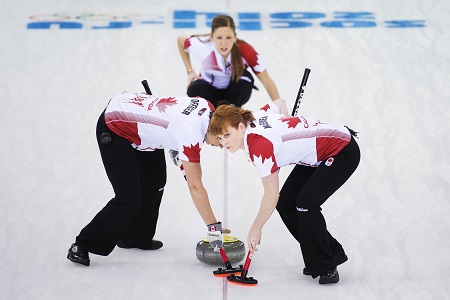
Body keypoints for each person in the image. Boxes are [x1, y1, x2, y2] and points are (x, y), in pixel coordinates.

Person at [207, 99, 360, 284]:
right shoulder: (256, 115)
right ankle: (330, 253)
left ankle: (326, 265)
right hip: (316, 153)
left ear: (240, 127)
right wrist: (289, 130)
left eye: (226, 135)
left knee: (306, 204)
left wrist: (256, 229)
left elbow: (271, 194)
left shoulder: (258, 146)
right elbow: (279, 103)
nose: (223, 143)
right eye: (220, 138)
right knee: (287, 203)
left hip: (341, 150)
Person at [67, 91, 226, 266]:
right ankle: (81, 245)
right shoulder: (192, 133)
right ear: (214, 129)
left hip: (144, 132)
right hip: (115, 127)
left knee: (155, 182)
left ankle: (136, 238)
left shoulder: (208, 107)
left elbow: (177, 131)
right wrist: (213, 229)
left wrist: (180, 156)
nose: (220, 146)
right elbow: (195, 187)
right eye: (220, 140)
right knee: (128, 198)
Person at [177, 14, 280, 108]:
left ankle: (232, 113)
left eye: (228, 37)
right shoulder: (202, 46)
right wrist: (190, 71)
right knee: (194, 88)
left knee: (246, 79)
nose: (224, 43)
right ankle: (214, 115)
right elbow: (180, 40)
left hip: (233, 94)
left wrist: (281, 112)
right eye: (219, 38)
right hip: (209, 91)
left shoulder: (245, 51)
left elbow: (268, 82)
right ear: (212, 37)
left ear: (235, 37)